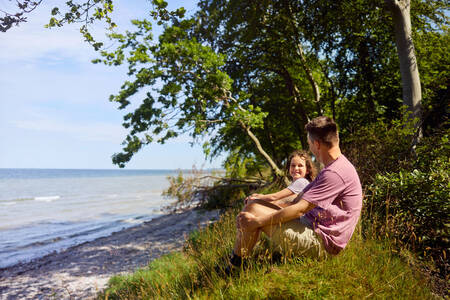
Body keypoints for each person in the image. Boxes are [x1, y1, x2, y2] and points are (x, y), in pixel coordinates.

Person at [227, 116, 362, 269]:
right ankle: (237, 261)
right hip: (309, 225)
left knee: (253, 216)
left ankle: (234, 267)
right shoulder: (332, 168)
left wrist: (257, 223)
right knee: (253, 207)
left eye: (310, 144)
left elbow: (300, 209)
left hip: (322, 244)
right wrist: (263, 202)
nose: (310, 148)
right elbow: (296, 202)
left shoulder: (335, 173)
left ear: (316, 144)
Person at [244, 150, 317, 209]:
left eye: (300, 165)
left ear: (307, 170)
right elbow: (280, 202)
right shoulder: (295, 184)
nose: (296, 168)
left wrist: (257, 198)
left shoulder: (302, 182)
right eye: (293, 165)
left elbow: (274, 197)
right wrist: (258, 197)